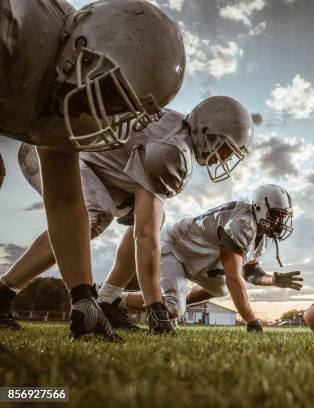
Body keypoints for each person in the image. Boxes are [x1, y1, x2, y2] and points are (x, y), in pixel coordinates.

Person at [0, 0, 185, 340]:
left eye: (121, 107)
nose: (109, 113)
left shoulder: (69, 85)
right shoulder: (13, 27)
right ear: (82, 48)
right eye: (111, 93)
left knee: (91, 211)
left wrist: (83, 299)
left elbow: (66, 201)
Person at [0, 96, 252, 334]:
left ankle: (107, 301)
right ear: (207, 131)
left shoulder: (175, 135)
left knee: (155, 217)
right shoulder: (173, 150)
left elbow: (146, 226)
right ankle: (5, 292)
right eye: (226, 149)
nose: (223, 159)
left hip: (93, 164)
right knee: (96, 214)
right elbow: (145, 234)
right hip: (54, 150)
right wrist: (156, 306)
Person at [104, 185, 298, 332]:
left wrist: (274, 279)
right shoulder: (243, 222)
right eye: (275, 215)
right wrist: (251, 320)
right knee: (173, 308)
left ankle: (176, 300)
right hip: (175, 247)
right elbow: (234, 277)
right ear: (259, 208)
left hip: (196, 257)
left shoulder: (260, 237)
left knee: (219, 288)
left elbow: (251, 274)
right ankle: (115, 300)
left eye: (283, 217)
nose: (279, 222)